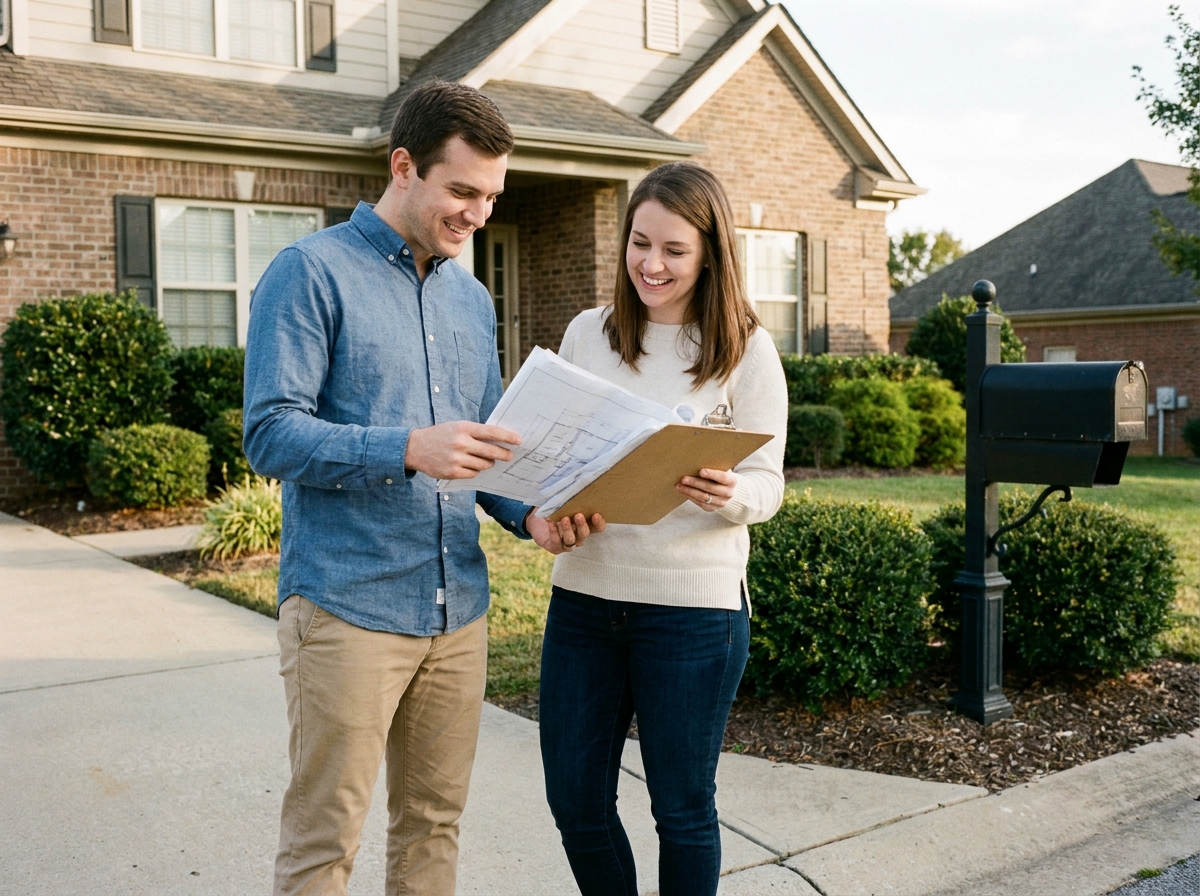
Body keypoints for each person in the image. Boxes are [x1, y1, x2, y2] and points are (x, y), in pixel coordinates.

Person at [243, 80, 599, 896]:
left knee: (434, 828)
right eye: (463, 190)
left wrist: (531, 515)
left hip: (457, 613)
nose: (478, 212)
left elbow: (485, 448)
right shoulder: (310, 273)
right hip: (346, 606)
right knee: (324, 842)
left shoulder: (472, 300)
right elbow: (269, 432)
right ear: (404, 167)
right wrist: (406, 447)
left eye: (491, 196)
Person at [538, 161, 789, 896]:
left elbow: (769, 485)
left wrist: (729, 490)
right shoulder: (590, 334)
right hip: (585, 597)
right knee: (576, 801)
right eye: (639, 243)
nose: (651, 264)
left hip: (694, 612)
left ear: (711, 252)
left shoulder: (746, 349)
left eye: (674, 250)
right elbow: (556, 453)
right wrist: (551, 506)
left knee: (681, 809)